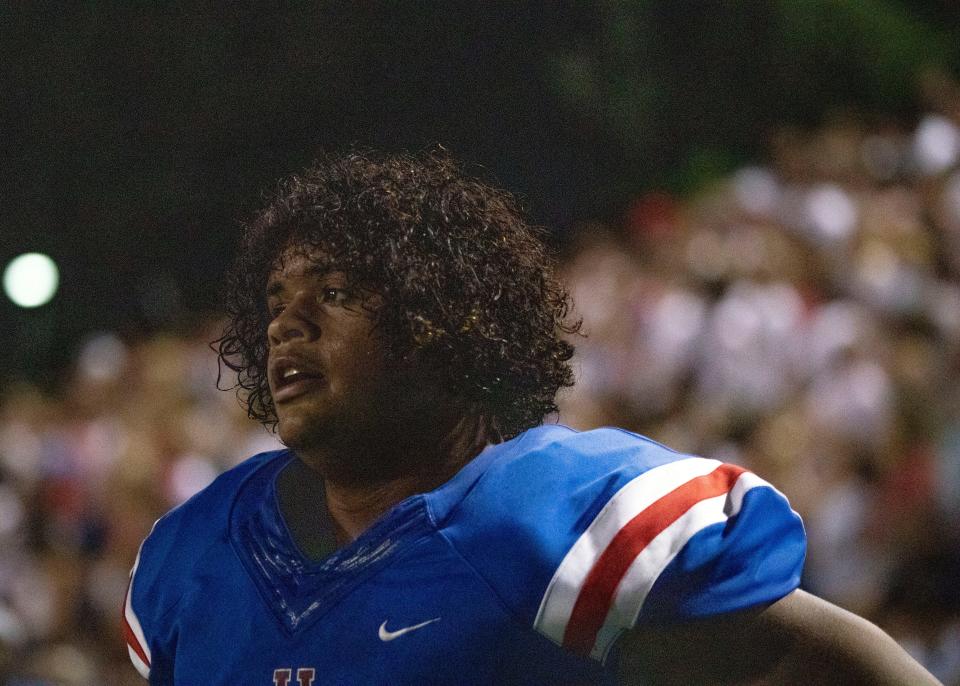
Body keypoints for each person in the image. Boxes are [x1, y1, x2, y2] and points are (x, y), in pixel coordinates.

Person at [122, 149, 940, 685]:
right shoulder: (197, 557)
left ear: (439, 322)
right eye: (276, 304)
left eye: (333, 296)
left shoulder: (545, 522)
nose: (285, 326)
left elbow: (822, 660)